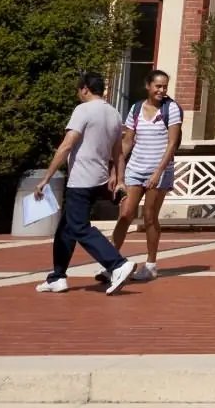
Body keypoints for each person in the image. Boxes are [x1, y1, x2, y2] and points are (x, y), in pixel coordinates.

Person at [32, 72, 136, 294]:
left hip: (81, 179)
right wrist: (120, 179)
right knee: (66, 229)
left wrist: (46, 178)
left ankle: (117, 264)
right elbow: (118, 152)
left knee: (79, 227)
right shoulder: (114, 113)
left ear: (85, 89)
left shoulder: (83, 110)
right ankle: (57, 277)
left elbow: (67, 145)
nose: (78, 94)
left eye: (78, 90)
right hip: (98, 179)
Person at [109, 69, 181, 283]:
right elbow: (128, 141)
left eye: (165, 86)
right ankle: (111, 263)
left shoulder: (171, 109)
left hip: (159, 170)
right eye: (158, 86)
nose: (162, 90)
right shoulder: (136, 108)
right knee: (125, 214)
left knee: (150, 217)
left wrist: (158, 172)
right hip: (135, 168)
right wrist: (116, 171)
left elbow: (172, 144)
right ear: (148, 86)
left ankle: (150, 265)